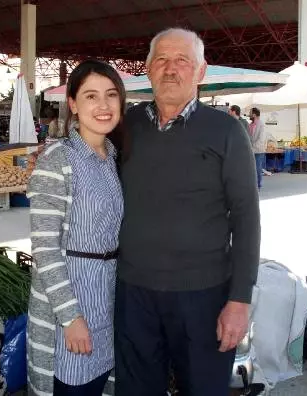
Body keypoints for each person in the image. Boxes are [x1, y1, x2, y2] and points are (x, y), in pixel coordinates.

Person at [115, 28, 260, 396]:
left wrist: (239, 299)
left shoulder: (227, 131)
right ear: (147, 69)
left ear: (200, 72)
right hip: (134, 293)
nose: (170, 69)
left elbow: (245, 217)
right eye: (161, 59)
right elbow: (87, 156)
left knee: (202, 389)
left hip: (203, 296)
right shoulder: (126, 126)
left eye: (183, 61)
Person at [27, 59, 126, 396]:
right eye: (91, 96)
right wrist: (70, 318)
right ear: (72, 103)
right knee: (73, 383)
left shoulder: (114, 158)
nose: (103, 106)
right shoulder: (58, 159)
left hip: (108, 296)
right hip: (72, 300)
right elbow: (44, 247)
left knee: (101, 382)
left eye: (111, 95)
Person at [250, 107, 267, 188]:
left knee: (257, 169)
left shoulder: (261, 125)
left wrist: (252, 146)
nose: (249, 114)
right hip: (251, 150)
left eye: (250, 113)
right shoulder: (251, 124)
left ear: (254, 114)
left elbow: (261, 139)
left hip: (259, 150)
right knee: (251, 169)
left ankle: (258, 186)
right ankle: (253, 185)